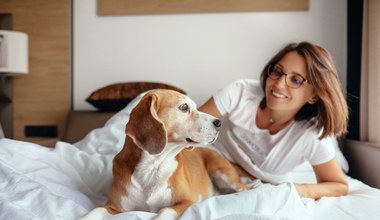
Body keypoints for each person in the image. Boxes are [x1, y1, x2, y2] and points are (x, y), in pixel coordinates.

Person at [199, 41, 349, 199]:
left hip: (257, 188)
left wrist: (293, 190)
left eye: (296, 80)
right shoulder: (240, 92)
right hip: (205, 165)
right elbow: (190, 129)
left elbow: (339, 185)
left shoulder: (311, 136)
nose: (278, 84)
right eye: (278, 72)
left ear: (314, 95)